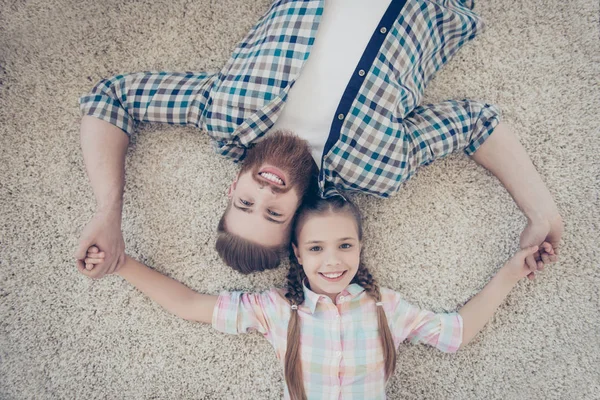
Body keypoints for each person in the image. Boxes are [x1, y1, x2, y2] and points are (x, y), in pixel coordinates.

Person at [75, 0, 563, 276]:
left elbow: (112, 98)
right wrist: (542, 210)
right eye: (273, 213)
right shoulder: (379, 166)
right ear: (299, 215)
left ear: (232, 189)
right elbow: (476, 123)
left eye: (246, 204)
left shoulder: (222, 113)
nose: (265, 192)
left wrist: (107, 213)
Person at [79, 197, 554, 399]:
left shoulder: (385, 307)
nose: (333, 260)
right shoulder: (276, 310)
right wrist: (123, 265)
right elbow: (189, 304)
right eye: (317, 248)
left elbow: (459, 332)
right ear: (297, 254)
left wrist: (513, 271)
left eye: (345, 245)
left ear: (361, 247)